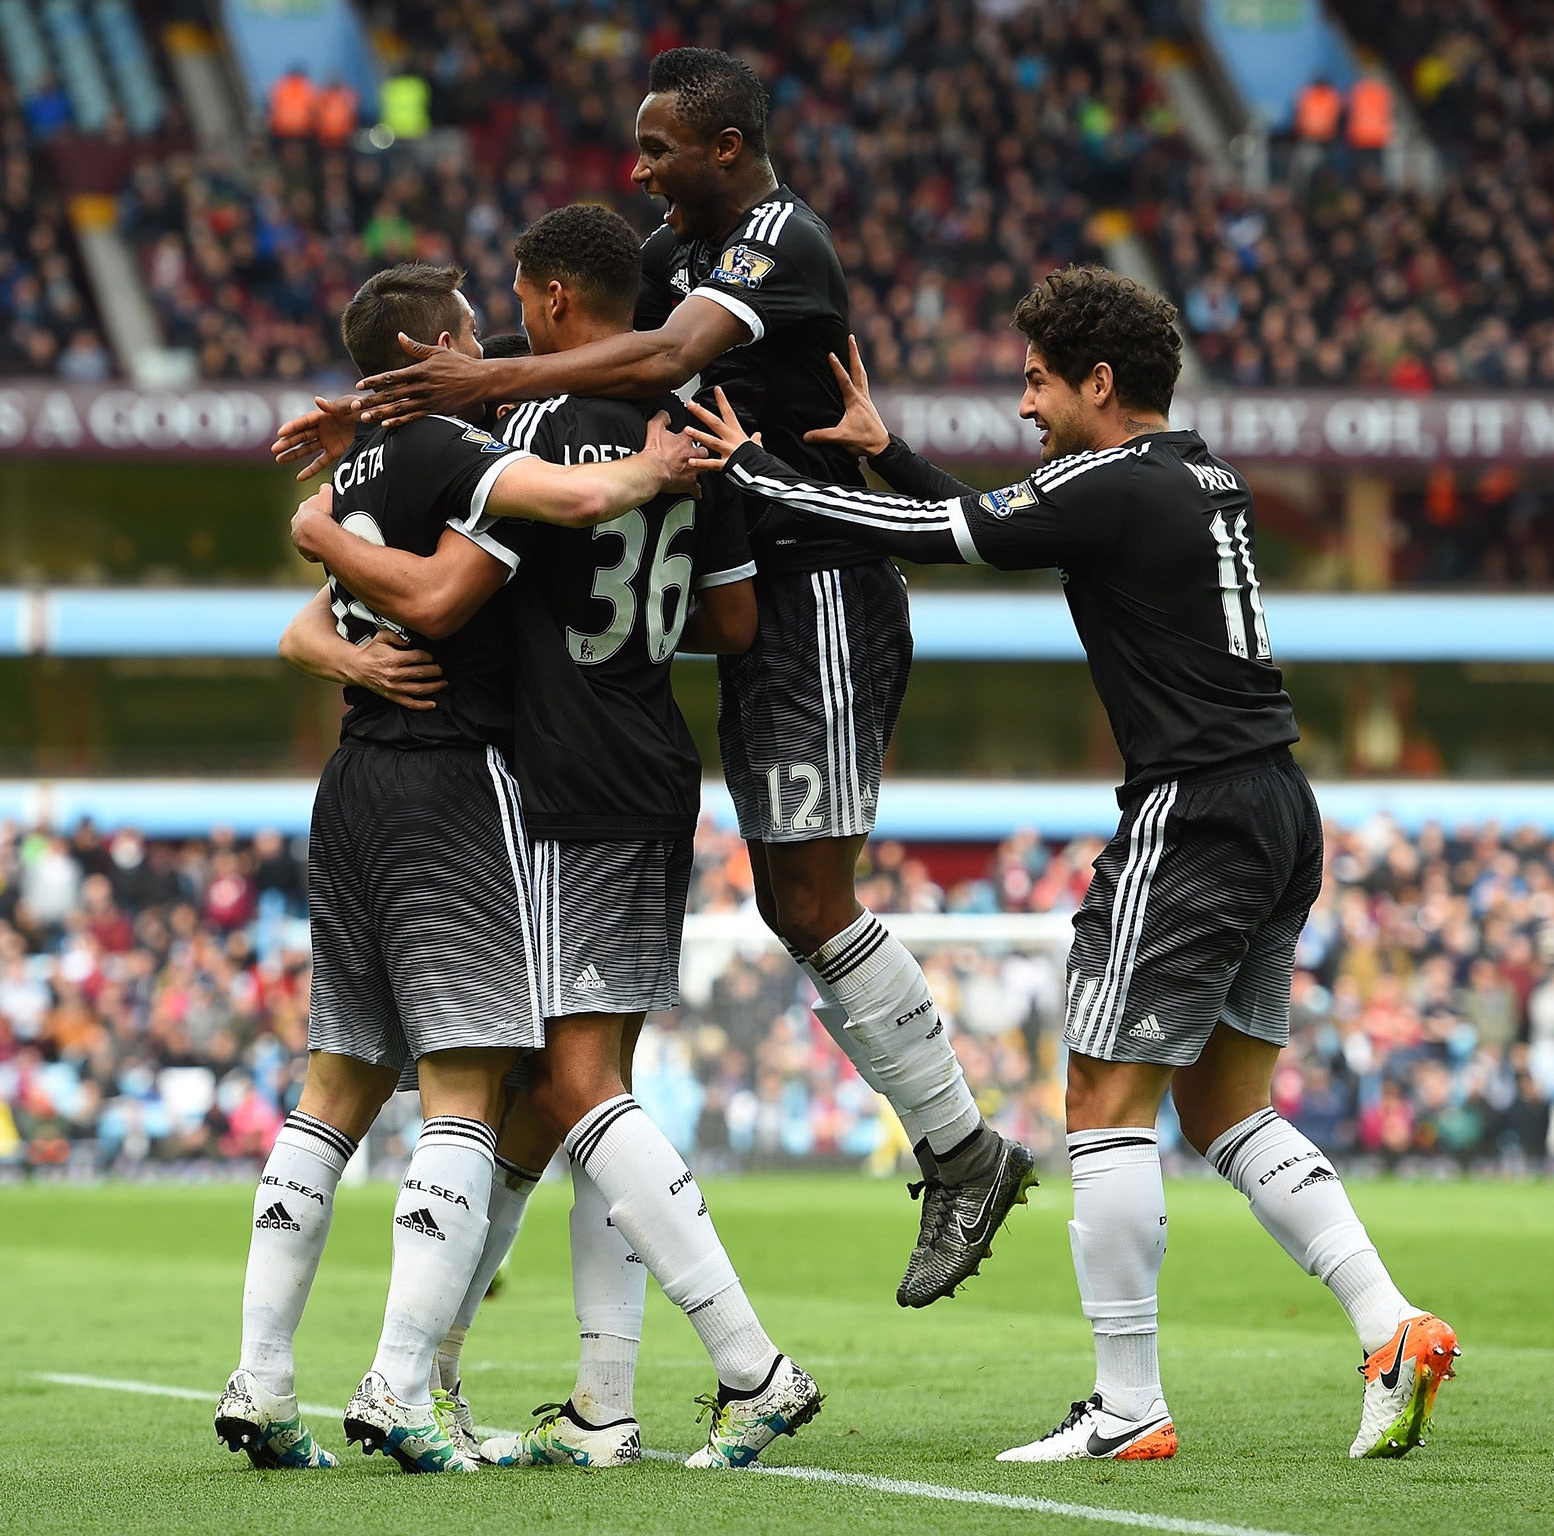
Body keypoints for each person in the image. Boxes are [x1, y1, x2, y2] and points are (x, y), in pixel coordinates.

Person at [271, 45, 1033, 1309]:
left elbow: (649, 360)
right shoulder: (674, 253)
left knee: (801, 900)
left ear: (725, 146)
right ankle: (484, 1335)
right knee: (571, 1049)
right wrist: (384, 410)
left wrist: (463, 387)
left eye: (659, 149)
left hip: (821, 591)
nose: (639, 171)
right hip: (734, 599)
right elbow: (563, 350)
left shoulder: (779, 243)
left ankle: (958, 1150)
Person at [682, 265, 1460, 1464]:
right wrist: (887, 449)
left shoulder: (1113, 482)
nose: (1025, 407)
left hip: (1191, 811)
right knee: (1221, 1106)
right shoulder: (1195, 471)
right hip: (1274, 802)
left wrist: (758, 476)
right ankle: (1388, 1324)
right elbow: (1007, 523)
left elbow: (953, 538)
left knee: (1101, 1105)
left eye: (1039, 383)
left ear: (1101, 383)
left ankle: (1126, 1405)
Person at [283, 207, 821, 1473]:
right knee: (578, 1092)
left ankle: (752, 1368)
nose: (499, 336)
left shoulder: (513, 429)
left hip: (545, 776)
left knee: (573, 1091)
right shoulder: (688, 417)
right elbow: (732, 625)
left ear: (548, 298)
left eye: (513, 309)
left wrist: (338, 507)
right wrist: (622, 631)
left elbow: (441, 590)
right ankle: (600, 1406)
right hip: (651, 765)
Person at [213, 260, 709, 1474]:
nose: (486, 349)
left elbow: (304, 626)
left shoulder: (357, 473)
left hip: (352, 787)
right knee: (467, 1092)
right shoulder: (446, 452)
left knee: (331, 1087)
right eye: (469, 335)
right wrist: (662, 465)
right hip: (450, 784)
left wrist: (340, 621)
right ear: (431, 344)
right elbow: (569, 513)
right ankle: (400, 1391)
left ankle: (262, 1383)